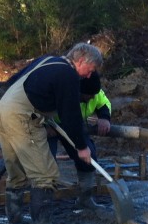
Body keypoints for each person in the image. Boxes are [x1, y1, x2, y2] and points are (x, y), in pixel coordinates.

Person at [0, 42, 104, 224]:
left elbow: (14, 81)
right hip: (23, 116)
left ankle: (14, 218)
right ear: (80, 61)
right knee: (45, 174)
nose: (89, 75)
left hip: (4, 109)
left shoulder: (47, 61)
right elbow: (71, 115)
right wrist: (82, 147)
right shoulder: (68, 75)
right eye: (90, 70)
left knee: (17, 169)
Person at [47, 71, 113, 210]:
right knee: (45, 165)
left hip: (74, 125)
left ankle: (85, 199)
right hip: (51, 127)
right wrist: (46, 125)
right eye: (87, 96)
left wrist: (104, 117)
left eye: (93, 96)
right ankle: (43, 209)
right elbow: (39, 108)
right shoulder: (63, 91)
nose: (91, 99)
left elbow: (103, 103)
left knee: (89, 157)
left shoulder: (94, 92)